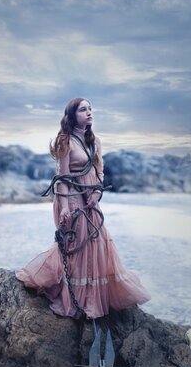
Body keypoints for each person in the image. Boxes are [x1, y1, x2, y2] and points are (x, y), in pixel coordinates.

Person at [16, 97, 151, 319]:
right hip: (70, 197)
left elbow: (100, 172)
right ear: (71, 115)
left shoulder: (95, 141)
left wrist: (97, 194)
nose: (89, 112)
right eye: (83, 109)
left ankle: (93, 298)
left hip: (91, 200)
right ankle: (75, 299)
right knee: (76, 245)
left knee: (96, 244)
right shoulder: (64, 141)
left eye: (90, 109)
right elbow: (61, 177)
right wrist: (66, 208)